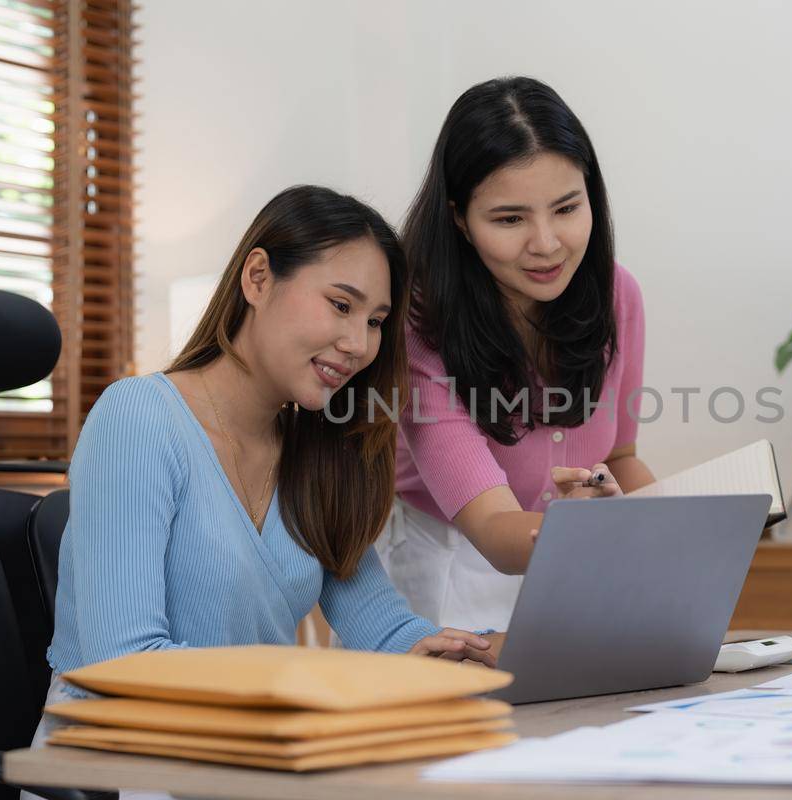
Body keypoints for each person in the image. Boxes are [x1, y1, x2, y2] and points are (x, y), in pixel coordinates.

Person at [29, 186, 494, 768]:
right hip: (120, 761)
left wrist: (471, 652)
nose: (358, 345)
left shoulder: (314, 454)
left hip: (243, 760)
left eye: (375, 321)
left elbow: (383, 627)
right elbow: (120, 663)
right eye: (340, 304)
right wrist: (309, 684)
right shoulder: (138, 419)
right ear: (257, 278)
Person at [380, 77, 657, 632]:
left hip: (570, 567)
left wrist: (684, 528)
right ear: (459, 218)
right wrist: (585, 530)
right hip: (450, 570)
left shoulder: (616, 293)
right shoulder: (417, 323)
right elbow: (496, 529)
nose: (547, 243)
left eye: (566, 208)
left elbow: (620, 456)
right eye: (510, 219)